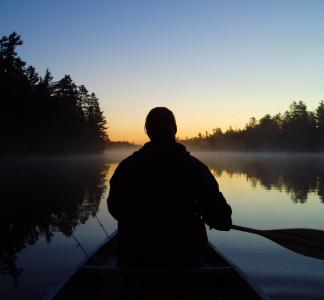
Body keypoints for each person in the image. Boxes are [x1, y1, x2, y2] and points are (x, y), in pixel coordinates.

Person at [107, 107, 232, 267]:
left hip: (136, 259)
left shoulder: (126, 167)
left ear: (148, 131)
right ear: (174, 129)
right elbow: (221, 218)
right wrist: (212, 218)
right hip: (185, 259)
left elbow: (115, 208)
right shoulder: (195, 169)